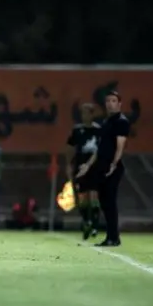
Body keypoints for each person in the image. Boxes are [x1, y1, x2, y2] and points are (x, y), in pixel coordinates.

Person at [77, 91, 130, 247]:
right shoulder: (106, 122)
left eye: (113, 101)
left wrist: (114, 164)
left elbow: (120, 145)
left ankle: (114, 237)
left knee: (110, 202)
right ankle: (110, 236)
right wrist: (87, 165)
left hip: (112, 167)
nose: (110, 104)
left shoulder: (121, 121)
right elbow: (99, 148)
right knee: (104, 202)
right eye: (108, 101)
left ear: (119, 104)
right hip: (102, 166)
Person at [65, 103, 102, 240]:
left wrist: (90, 164)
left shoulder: (98, 130)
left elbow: (100, 150)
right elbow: (70, 147)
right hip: (80, 167)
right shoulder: (77, 130)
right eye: (83, 113)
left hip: (94, 167)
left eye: (87, 113)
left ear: (92, 114)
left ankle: (95, 225)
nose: (84, 115)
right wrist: (69, 164)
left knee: (94, 196)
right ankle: (87, 222)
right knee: (82, 198)